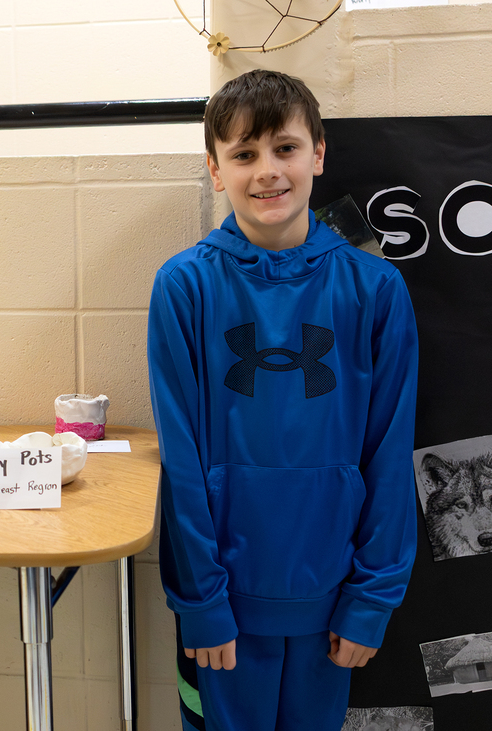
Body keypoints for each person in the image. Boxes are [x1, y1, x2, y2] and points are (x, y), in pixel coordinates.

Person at [146, 69, 418, 731]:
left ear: (318, 153)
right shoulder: (184, 287)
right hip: (224, 613)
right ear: (216, 170)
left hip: (332, 608)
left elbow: (389, 452)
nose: (267, 171)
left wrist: (370, 600)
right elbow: (182, 463)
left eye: (285, 149)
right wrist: (202, 603)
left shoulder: (376, 289)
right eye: (244, 154)